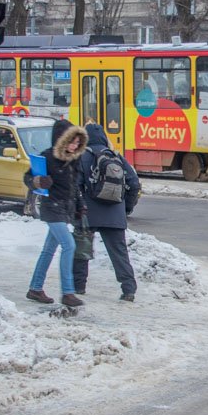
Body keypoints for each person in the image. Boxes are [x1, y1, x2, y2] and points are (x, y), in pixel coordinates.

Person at [24, 118, 88, 308]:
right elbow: (28, 178)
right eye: (72, 141)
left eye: (78, 143)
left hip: (65, 209)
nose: (75, 145)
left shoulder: (74, 161)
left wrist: (80, 206)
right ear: (61, 139)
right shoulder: (48, 157)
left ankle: (35, 288)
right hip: (51, 208)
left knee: (49, 250)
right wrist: (38, 182)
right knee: (69, 245)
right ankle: (68, 292)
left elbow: (75, 188)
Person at [75, 123, 141, 301]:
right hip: (115, 213)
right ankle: (129, 289)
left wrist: (77, 208)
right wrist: (126, 207)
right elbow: (134, 184)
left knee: (82, 250)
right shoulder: (117, 157)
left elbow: (75, 185)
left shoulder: (81, 157)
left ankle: (79, 287)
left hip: (88, 214)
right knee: (119, 253)